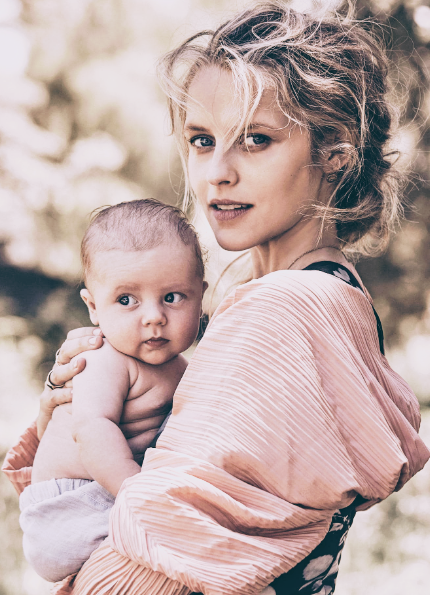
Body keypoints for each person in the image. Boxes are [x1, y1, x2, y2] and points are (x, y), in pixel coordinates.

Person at [3, 3, 430, 594]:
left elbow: (164, 554)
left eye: (255, 140)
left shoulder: (286, 311)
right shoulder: (320, 295)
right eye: (201, 141)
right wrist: (79, 402)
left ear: (337, 151)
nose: (216, 173)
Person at [18, 199, 207, 582]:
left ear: (200, 296)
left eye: (172, 297)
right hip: (72, 506)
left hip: (103, 496)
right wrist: (134, 491)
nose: (153, 316)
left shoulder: (185, 367)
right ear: (92, 306)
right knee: (175, 538)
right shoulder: (103, 358)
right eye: (126, 300)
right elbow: (92, 428)